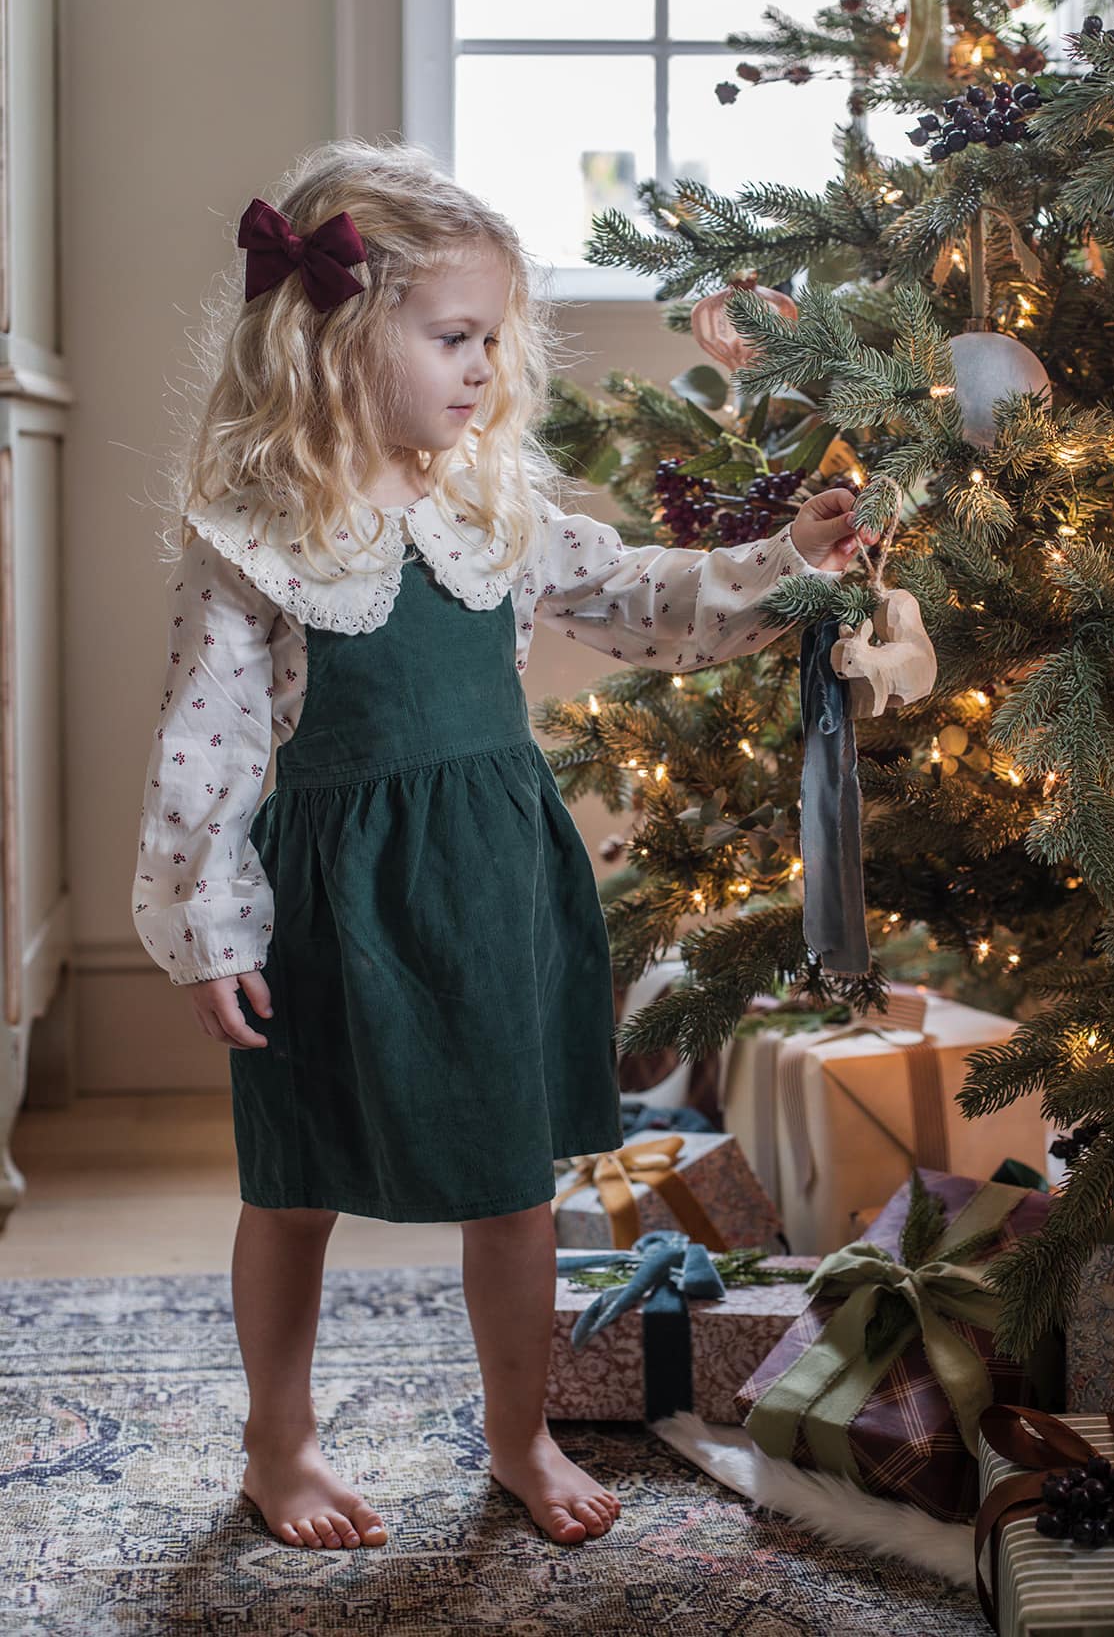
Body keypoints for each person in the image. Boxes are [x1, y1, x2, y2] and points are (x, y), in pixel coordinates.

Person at [131, 136, 875, 1557]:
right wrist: (206, 929)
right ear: (337, 339)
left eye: (494, 340)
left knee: (511, 1185)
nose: (483, 368)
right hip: (334, 910)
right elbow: (204, 752)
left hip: (490, 889)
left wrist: (784, 561)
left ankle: (517, 1428)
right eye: (453, 337)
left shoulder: (495, 507)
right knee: (292, 1185)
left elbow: (645, 600)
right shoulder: (255, 538)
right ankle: (274, 1443)